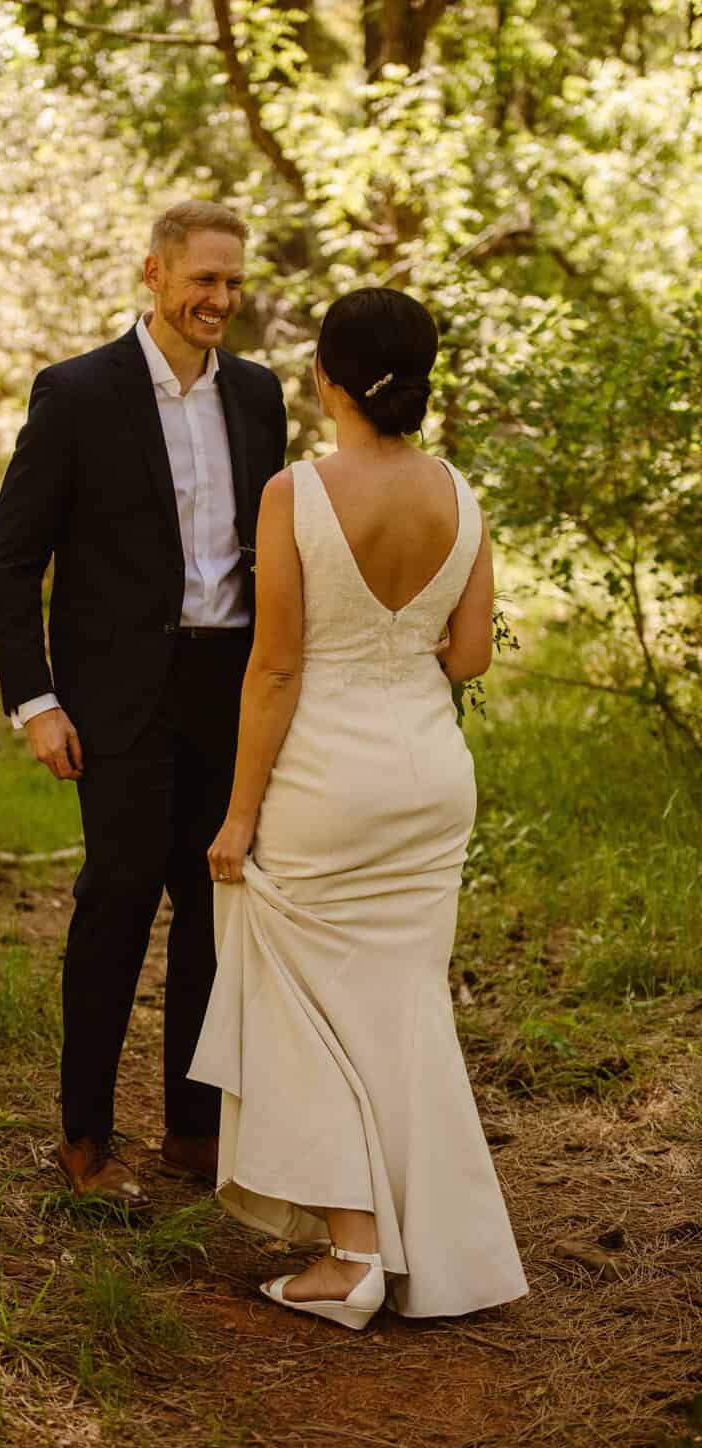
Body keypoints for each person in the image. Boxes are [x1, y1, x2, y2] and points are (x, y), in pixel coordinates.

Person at [189, 287, 528, 1327]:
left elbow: (277, 671)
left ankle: (352, 1252)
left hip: (328, 779)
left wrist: (239, 814)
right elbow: (469, 653)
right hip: (429, 777)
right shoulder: (459, 495)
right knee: (399, 1006)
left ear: (328, 379)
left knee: (297, 1007)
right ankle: (432, 1246)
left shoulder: (296, 492)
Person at [0, 202, 287, 1209]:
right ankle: (84, 1136)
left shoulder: (257, 395)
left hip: (227, 686)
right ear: (153, 275)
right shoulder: (76, 393)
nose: (220, 300)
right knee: (116, 905)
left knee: (214, 905)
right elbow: (15, 556)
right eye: (204, 279)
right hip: (114, 696)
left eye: (234, 283)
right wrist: (35, 699)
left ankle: (195, 1131)